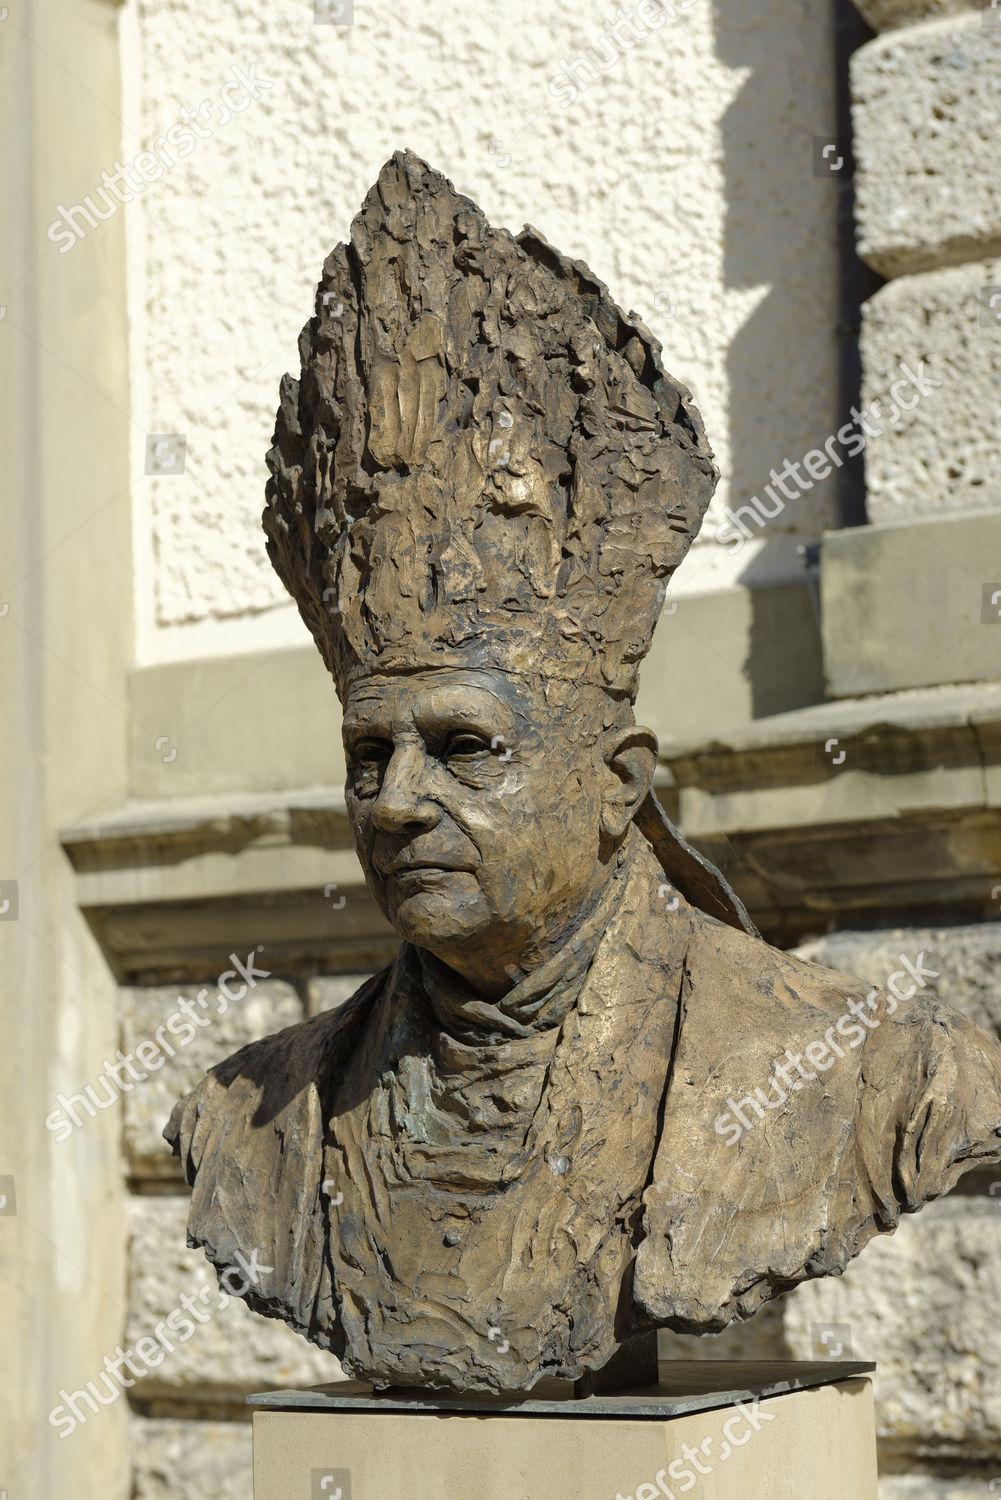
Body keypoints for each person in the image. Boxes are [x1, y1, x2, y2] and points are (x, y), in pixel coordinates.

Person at [166, 151, 1001, 1394]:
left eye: (462, 748)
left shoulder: (876, 1073)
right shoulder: (248, 1123)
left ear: (619, 784)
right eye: (365, 754)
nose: (394, 803)